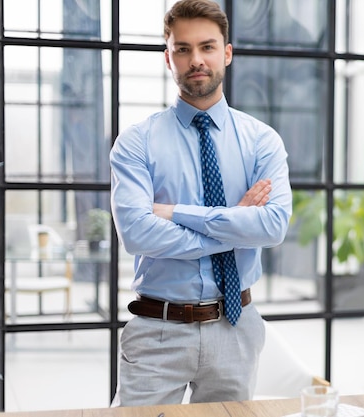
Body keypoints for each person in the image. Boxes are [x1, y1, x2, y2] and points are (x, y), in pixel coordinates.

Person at [109, 0, 292, 407]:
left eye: (207, 47)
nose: (196, 60)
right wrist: (236, 224)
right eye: (183, 49)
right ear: (168, 57)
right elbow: (138, 234)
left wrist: (175, 212)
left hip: (236, 326)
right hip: (158, 329)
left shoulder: (262, 141)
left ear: (226, 53)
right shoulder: (137, 143)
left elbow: (273, 226)